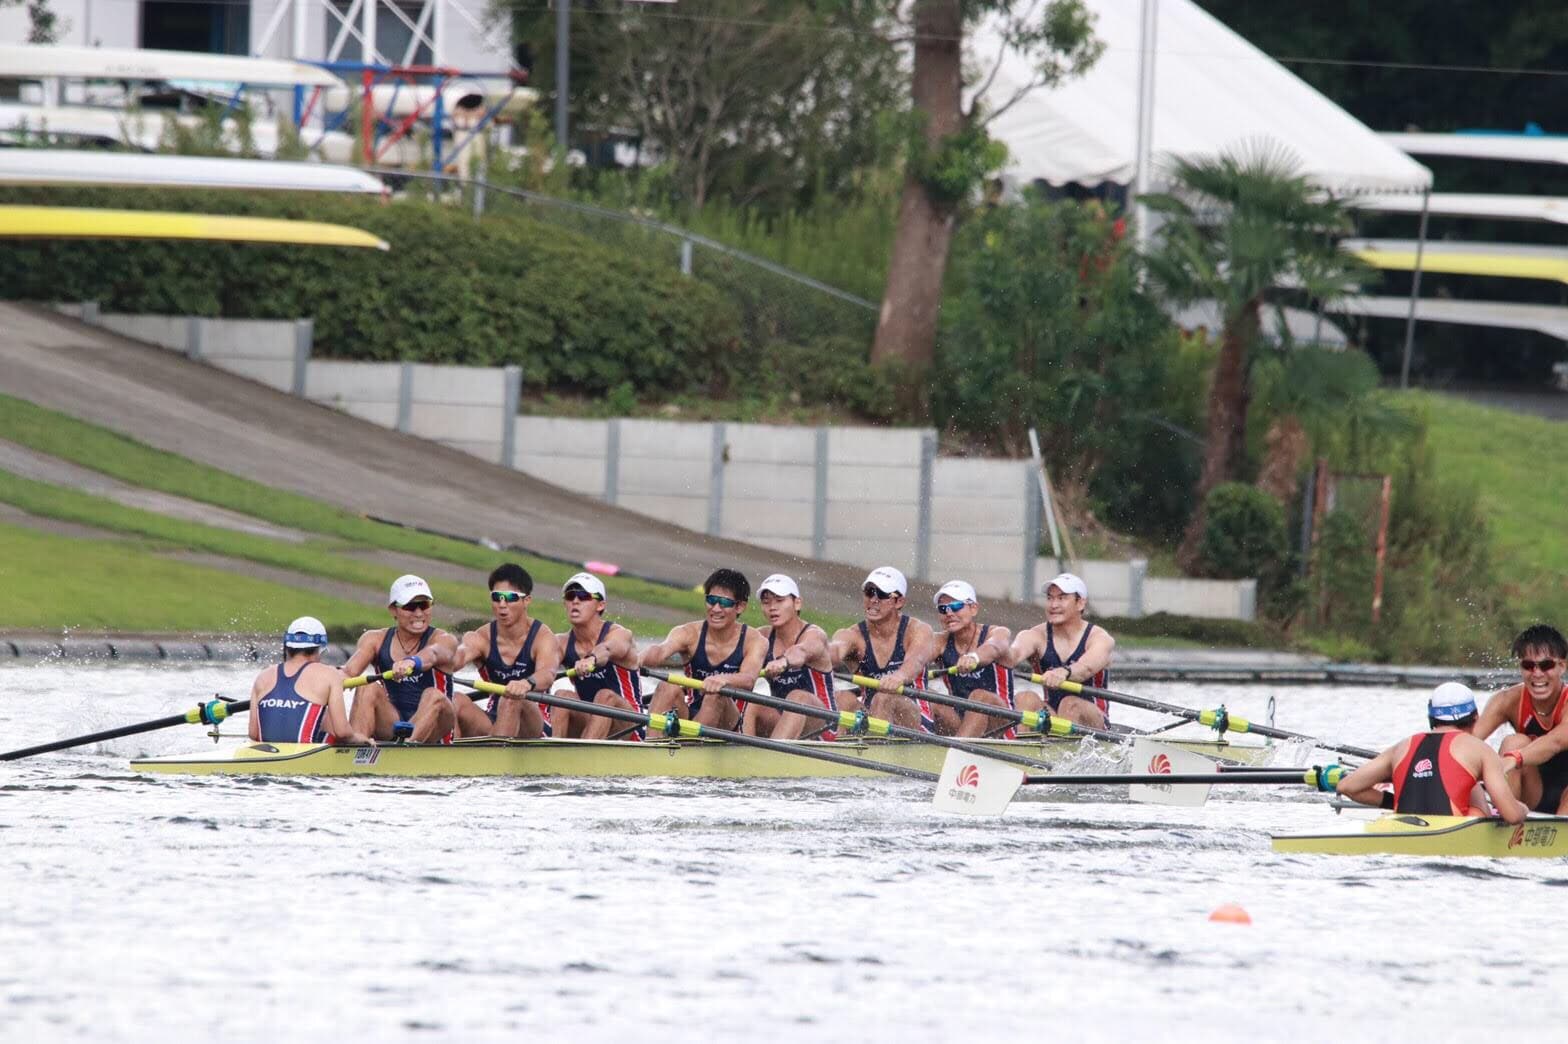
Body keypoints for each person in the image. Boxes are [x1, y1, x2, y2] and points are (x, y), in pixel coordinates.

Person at [1337, 682, 1527, 823]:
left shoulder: (1402, 746)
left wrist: (1396, 801)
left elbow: (1347, 787)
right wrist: (1523, 809)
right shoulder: (1480, 750)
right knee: (1474, 786)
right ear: (1475, 717)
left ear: (1431, 717)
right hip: (1455, 833)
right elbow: (1511, 815)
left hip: (1403, 828)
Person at [642, 568, 768, 730]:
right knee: (667, 686)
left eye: (724, 603)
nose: (715, 609)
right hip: (692, 713)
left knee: (716, 694)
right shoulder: (688, 633)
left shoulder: (755, 640)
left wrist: (723, 679)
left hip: (730, 723)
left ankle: (690, 747)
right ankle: (650, 746)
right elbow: (660, 651)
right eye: (711, 600)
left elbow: (748, 679)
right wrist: (639, 658)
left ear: (740, 607)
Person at [343, 575, 458, 743]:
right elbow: (348, 672)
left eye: (424, 605)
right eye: (410, 607)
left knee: (434, 695)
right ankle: (357, 748)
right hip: (392, 721)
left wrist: (412, 662)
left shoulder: (444, 639)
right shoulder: (374, 639)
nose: (418, 613)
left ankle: (405, 750)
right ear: (393, 610)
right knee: (366, 687)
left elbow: (433, 654)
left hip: (437, 727)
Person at [450, 563, 559, 739]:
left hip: (534, 725)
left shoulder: (543, 637)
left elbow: (547, 674)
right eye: (497, 597)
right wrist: (436, 659)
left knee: (512, 698)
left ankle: (492, 759)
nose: (502, 604)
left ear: (526, 601)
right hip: (494, 718)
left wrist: (526, 683)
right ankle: (449, 759)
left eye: (510, 598)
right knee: (455, 700)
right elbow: (458, 658)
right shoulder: (481, 637)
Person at [1472, 624, 1568, 813]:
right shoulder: (1506, 701)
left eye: (1546, 665)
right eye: (1528, 665)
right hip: (1534, 792)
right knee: (1513, 742)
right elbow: (1465, 742)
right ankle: (1506, 823)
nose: (1537, 674)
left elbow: (1556, 741)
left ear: (1562, 667)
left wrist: (1513, 760)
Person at [829, 566, 936, 731]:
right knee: (843, 698)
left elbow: (916, 661)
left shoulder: (918, 630)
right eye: (869, 592)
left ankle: (872, 750)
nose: (874, 599)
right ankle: (837, 750)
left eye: (883, 594)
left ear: (899, 601)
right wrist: (813, 654)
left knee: (885, 697)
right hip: (872, 714)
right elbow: (833, 652)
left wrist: (899, 676)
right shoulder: (851, 636)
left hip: (917, 722)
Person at [1006, 572, 1114, 730]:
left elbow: (1086, 668)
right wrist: (984, 655)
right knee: (1025, 698)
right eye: (1050, 598)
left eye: (1062, 598)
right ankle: (1019, 746)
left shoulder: (1100, 638)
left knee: (1069, 704)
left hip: (1094, 721)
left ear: (1080, 603)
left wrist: (1064, 672)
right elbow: (1012, 656)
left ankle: (1057, 749)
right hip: (1052, 715)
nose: (1053, 605)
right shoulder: (1035, 635)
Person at [248, 616, 370, 745]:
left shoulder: (263, 676)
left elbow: (253, 733)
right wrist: (361, 739)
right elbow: (342, 733)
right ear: (319, 648)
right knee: (335, 727)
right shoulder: (329, 674)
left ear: (288, 647)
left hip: (264, 756)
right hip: (305, 756)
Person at [553, 572, 646, 741]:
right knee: (561, 696)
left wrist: (592, 659)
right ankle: (549, 755)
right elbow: (543, 667)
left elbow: (608, 649)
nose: (575, 601)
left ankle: (584, 757)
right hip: (591, 721)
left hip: (631, 725)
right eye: (570, 596)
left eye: (583, 596)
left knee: (605, 696)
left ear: (600, 605)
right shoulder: (561, 643)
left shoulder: (619, 633)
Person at [752, 573, 837, 741]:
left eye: (779, 600)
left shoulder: (814, 634)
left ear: (797, 603)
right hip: (782, 720)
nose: (772, 607)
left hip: (823, 727)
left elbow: (801, 652)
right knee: (752, 704)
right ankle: (741, 756)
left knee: (798, 697)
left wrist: (784, 661)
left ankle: (773, 758)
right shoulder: (760, 637)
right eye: (766, 602)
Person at [928, 580, 1016, 738]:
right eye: (943, 609)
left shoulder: (996, 633)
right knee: (929, 696)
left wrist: (974, 657)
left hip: (1001, 725)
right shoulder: (939, 641)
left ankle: (956, 752)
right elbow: (917, 658)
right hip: (960, 722)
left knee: (979, 696)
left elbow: (996, 646)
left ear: (973, 608)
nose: (949, 613)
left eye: (956, 606)